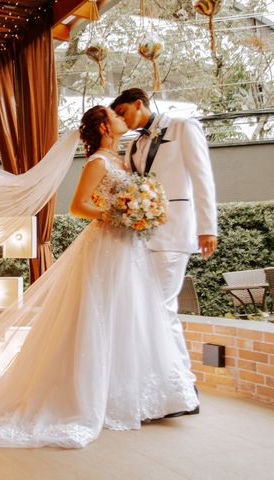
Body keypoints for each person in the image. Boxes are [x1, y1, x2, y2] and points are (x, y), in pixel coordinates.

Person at [0, 106, 199, 449]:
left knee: (130, 316)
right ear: (103, 126)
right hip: (108, 243)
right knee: (99, 316)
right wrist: (120, 211)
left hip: (128, 247)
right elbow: (79, 205)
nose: (122, 117)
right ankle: (86, 395)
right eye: (115, 115)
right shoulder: (98, 162)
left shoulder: (124, 158)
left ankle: (135, 394)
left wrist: (141, 209)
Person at [111, 88, 218, 415]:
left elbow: (202, 177)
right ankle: (173, 388)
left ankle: (183, 386)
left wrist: (207, 227)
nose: (123, 121)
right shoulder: (132, 145)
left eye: (124, 113)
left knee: (161, 308)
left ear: (139, 104)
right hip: (141, 236)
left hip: (174, 232)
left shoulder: (184, 127)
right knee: (153, 310)